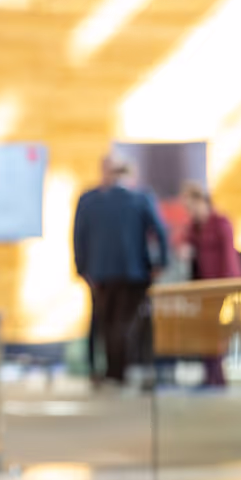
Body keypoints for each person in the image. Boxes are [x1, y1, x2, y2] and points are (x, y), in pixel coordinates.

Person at [74, 153, 169, 387]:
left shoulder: (89, 200)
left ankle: (112, 371)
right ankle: (122, 370)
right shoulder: (140, 198)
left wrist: (82, 268)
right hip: (133, 272)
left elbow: (78, 237)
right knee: (124, 323)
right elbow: (161, 231)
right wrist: (161, 264)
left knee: (106, 324)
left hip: (99, 273)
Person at [181, 181, 241, 387]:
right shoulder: (194, 228)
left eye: (191, 207)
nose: (190, 212)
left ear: (202, 201)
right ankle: (212, 374)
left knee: (213, 329)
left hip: (220, 285)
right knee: (206, 329)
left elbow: (229, 257)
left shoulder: (221, 223)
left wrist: (226, 286)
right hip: (203, 287)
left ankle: (216, 374)